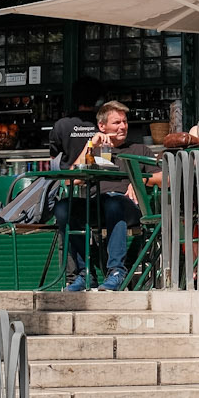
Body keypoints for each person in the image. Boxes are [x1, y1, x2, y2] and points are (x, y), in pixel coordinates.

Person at [61, 98, 146, 291]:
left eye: (124, 122)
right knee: (63, 208)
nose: (123, 126)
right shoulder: (93, 152)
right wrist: (91, 144)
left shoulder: (139, 149)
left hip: (127, 207)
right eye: (117, 122)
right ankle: (85, 274)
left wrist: (139, 181)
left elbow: (164, 178)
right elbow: (70, 179)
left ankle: (116, 271)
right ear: (102, 126)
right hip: (97, 206)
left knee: (113, 202)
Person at [48, 77, 102, 169]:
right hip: (97, 174)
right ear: (97, 98)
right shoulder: (104, 124)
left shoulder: (61, 125)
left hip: (68, 175)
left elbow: (54, 158)